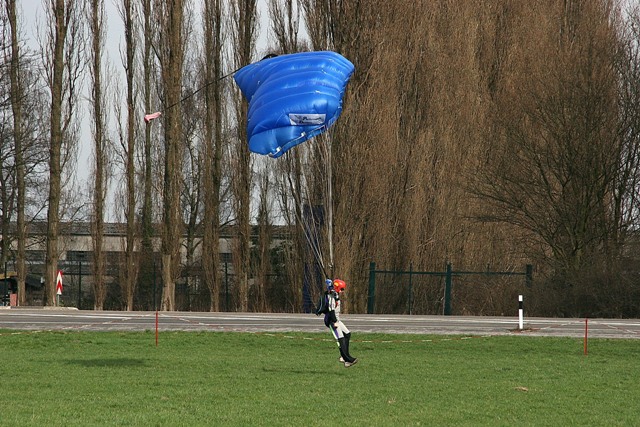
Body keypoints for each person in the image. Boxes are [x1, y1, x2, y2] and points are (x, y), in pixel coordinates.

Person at [316, 278, 358, 367]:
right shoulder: (331, 296)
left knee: (347, 334)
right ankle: (347, 359)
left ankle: (344, 356)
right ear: (337, 288)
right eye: (342, 289)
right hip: (332, 320)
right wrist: (335, 322)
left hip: (337, 319)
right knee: (340, 338)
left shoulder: (335, 294)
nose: (343, 291)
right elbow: (331, 310)